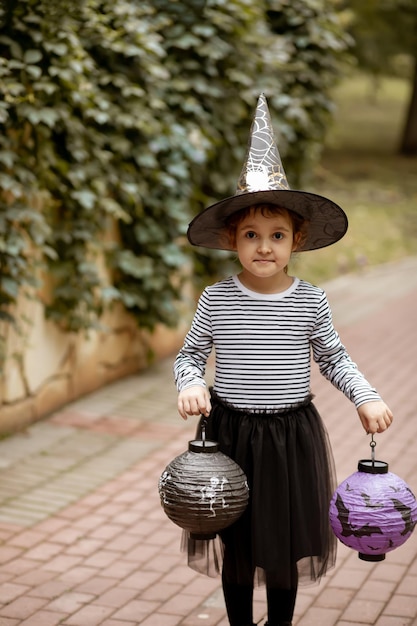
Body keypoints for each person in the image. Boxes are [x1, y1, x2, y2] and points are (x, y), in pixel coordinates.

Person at [173, 94, 393, 626]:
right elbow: (190, 354)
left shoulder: (309, 299)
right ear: (232, 240)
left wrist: (365, 394)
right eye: (251, 235)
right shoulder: (217, 299)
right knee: (238, 541)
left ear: (297, 240)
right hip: (232, 434)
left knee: (284, 545)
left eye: (277, 236)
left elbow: (334, 356)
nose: (264, 247)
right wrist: (190, 383)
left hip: (292, 436)